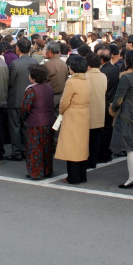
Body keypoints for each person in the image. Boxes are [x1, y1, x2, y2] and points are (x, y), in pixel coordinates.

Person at [110, 49, 133, 187]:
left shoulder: (126, 78)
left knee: (130, 147)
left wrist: (113, 109)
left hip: (128, 113)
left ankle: (132, 178)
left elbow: (118, 98)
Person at [55, 55, 91, 184]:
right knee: (81, 146)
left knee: (71, 147)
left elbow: (64, 101)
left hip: (72, 114)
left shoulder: (71, 82)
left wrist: (61, 111)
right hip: (85, 113)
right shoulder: (87, 80)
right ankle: (82, 175)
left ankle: (73, 177)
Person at [5, 38, 38, 161]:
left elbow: (10, 82)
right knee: (26, 125)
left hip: (15, 98)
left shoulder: (15, 64)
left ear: (17, 49)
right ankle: (25, 149)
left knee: (15, 126)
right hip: (30, 98)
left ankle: (16, 152)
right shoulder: (34, 62)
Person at [21, 64, 56, 180]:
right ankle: (47, 170)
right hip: (49, 120)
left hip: (35, 122)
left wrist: (23, 117)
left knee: (35, 148)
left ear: (33, 77)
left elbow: (26, 107)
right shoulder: (48, 87)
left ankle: (36, 172)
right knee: (47, 147)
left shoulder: (31, 90)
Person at [86, 53, 108, 169]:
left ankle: (87, 161)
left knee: (86, 140)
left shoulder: (86, 76)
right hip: (100, 111)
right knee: (96, 139)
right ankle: (93, 161)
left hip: (88, 112)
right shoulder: (103, 76)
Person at [98, 46, 120, 163]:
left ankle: (102, 154)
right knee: (108, 130)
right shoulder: (114, 69)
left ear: (102, 60)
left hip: (104, 102)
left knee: (102, 131)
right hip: (111, 102)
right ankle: (106, 153)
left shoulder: (102, 72)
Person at [44, 41, 69, 117]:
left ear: (50, 51)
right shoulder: (63, 63)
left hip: (51, 96)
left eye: (46, 51)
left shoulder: (47, 65)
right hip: (61, 94)